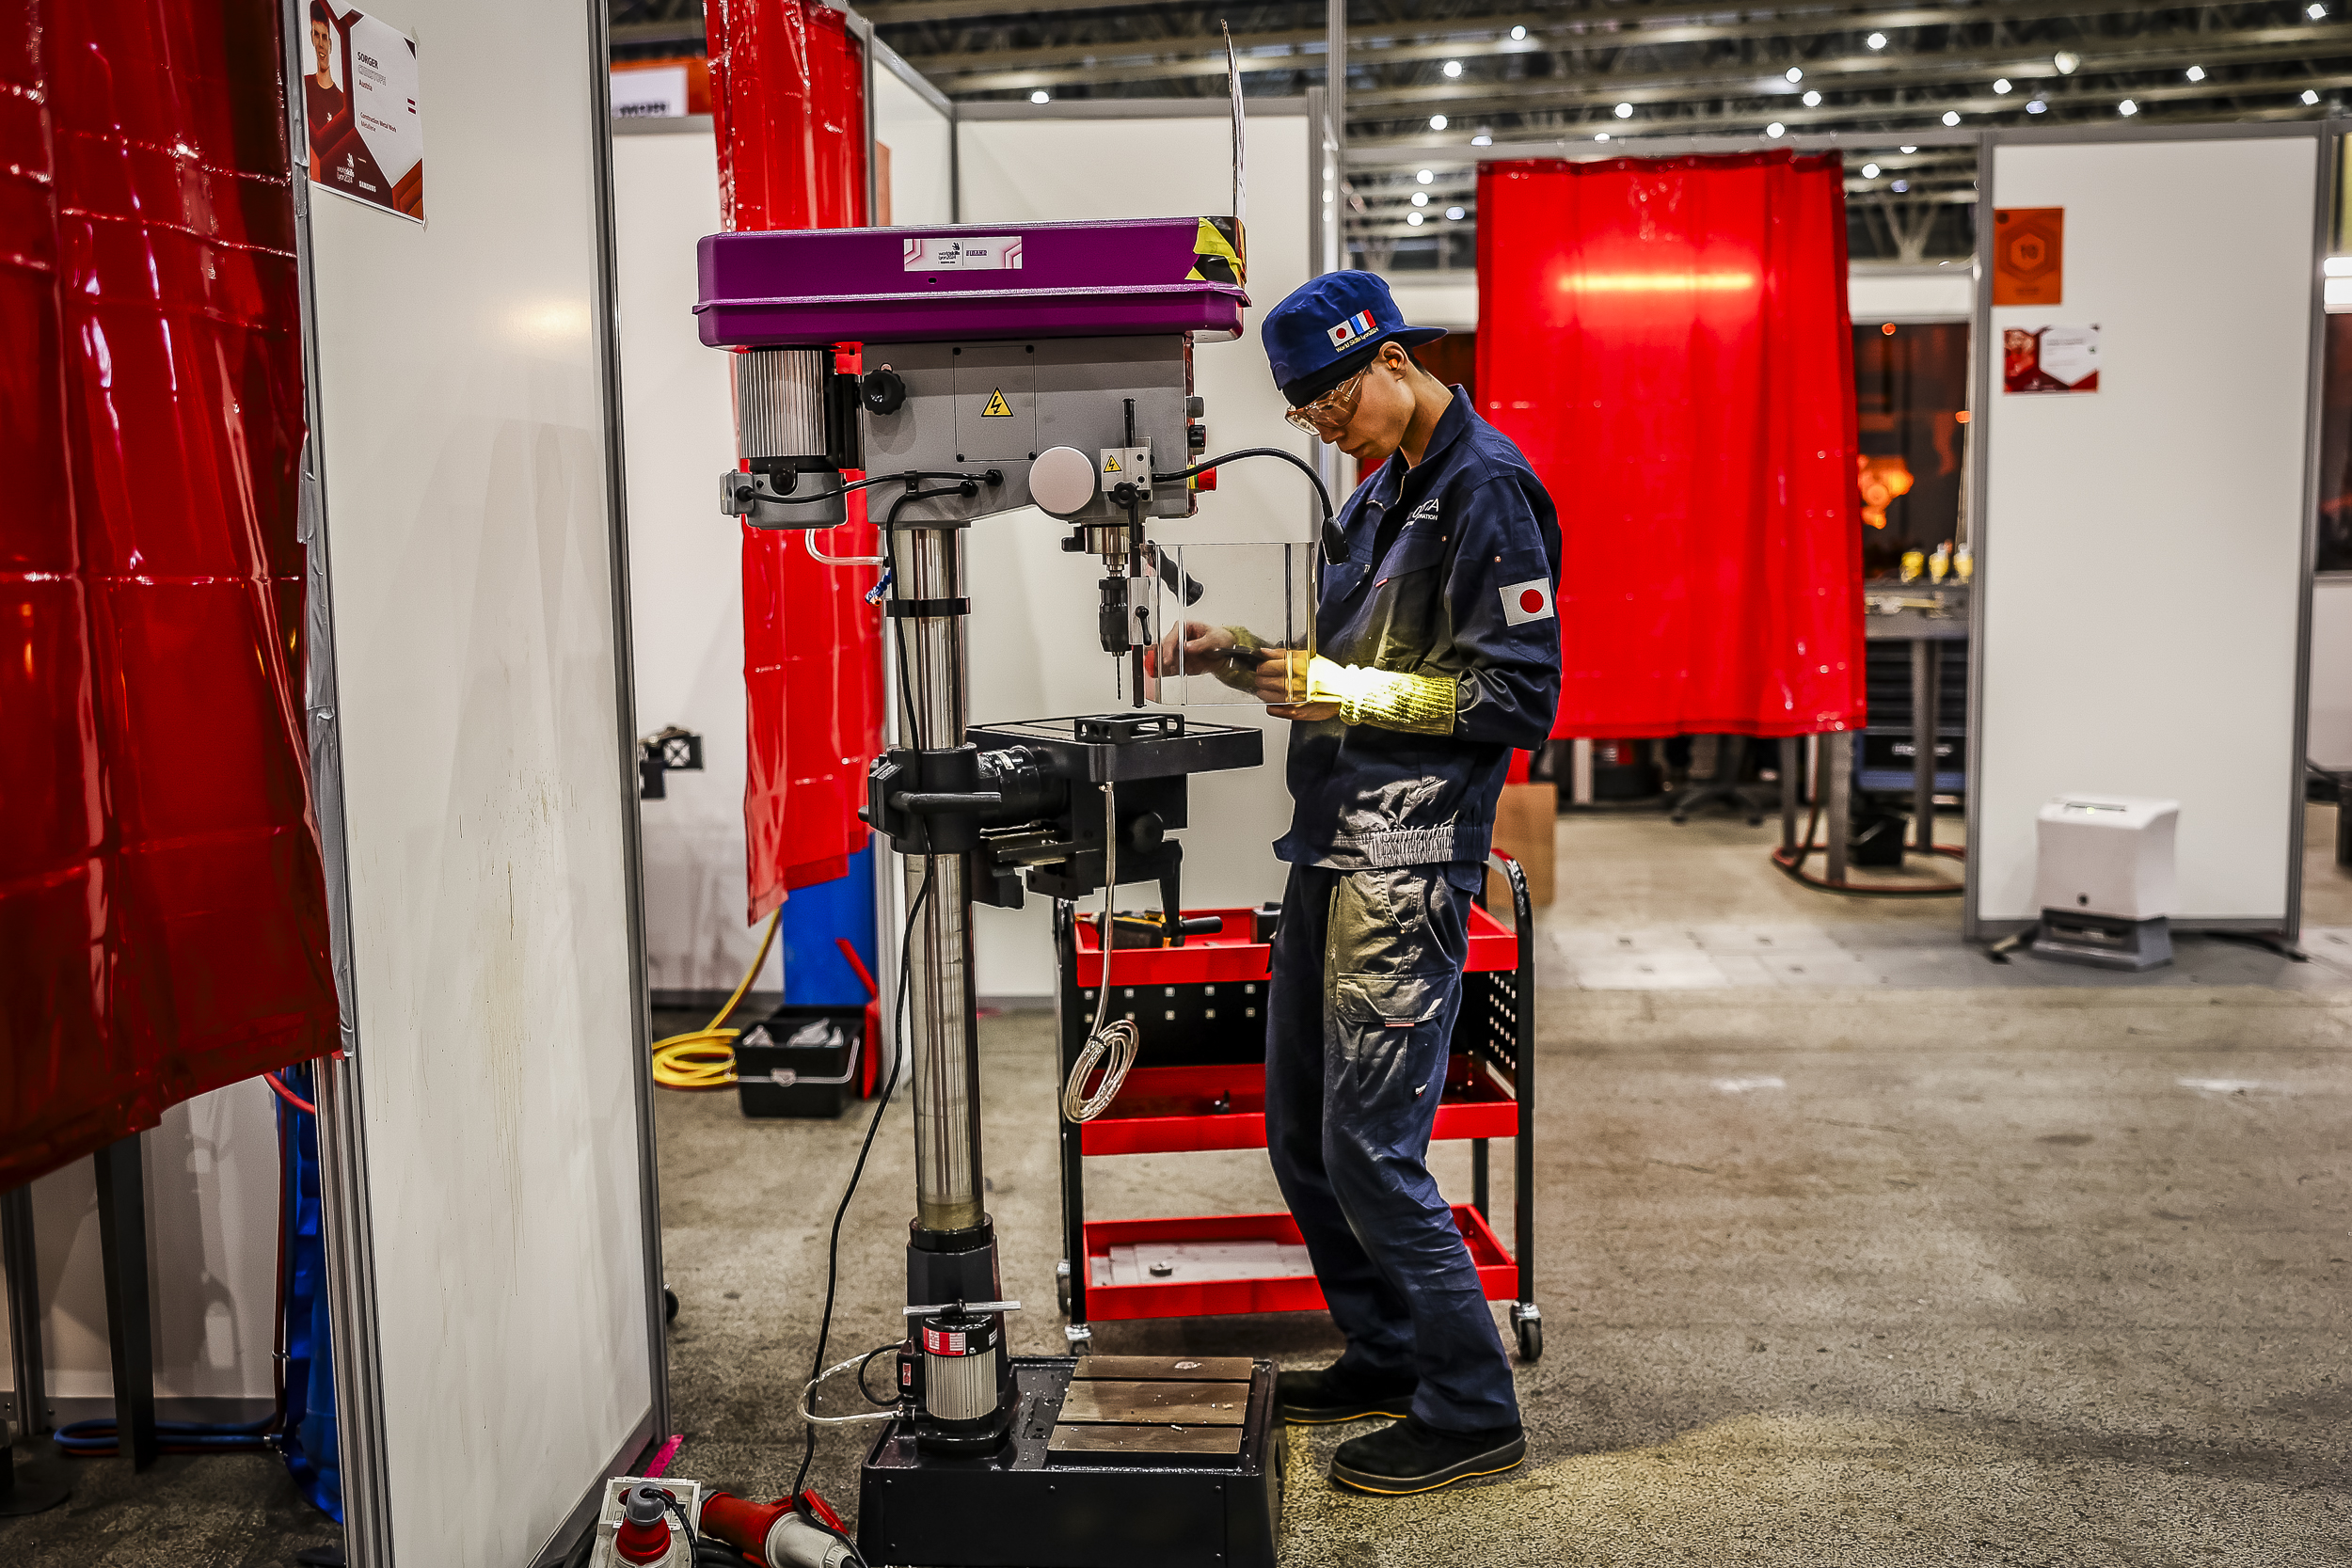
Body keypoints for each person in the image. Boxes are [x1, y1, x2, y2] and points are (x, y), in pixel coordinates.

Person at [1151, 272, 1562, 1494]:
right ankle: (1388, 1349)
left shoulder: (1485, 490)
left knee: (1374, 1146)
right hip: (1331, 842)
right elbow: (1340, 668)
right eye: (1309, 420)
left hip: (1409, 856)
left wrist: (1340, 690)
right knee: (1302, 1134)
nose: (1326, 432)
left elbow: (1515, 697)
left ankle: (1471, 1402)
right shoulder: (1379, 492)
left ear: (1387, 357)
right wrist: (1241, 658)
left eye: (1333, 408)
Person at [303, 2, 347, 177]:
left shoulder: (344, 104)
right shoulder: (302, 87)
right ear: (312, 38)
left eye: (324, 37)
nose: (321, 44)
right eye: (316, 35)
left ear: (331, 43)